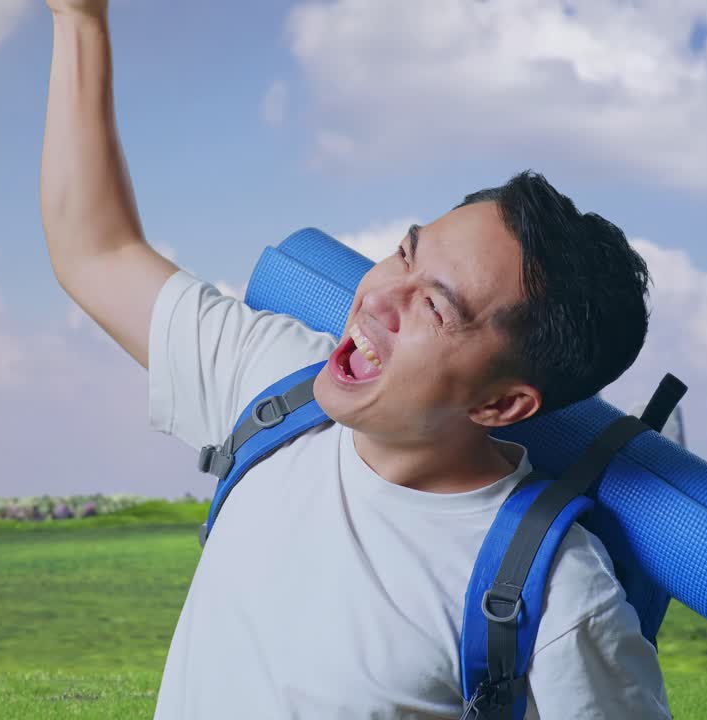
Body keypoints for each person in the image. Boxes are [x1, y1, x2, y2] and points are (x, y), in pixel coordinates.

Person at [40, 2, 672, 718]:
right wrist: (79, 19)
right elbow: (94, 252)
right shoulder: (279, 384)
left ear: (501, 405)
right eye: (406, 251)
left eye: (434, 306)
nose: (379, 298)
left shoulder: (558, 599)